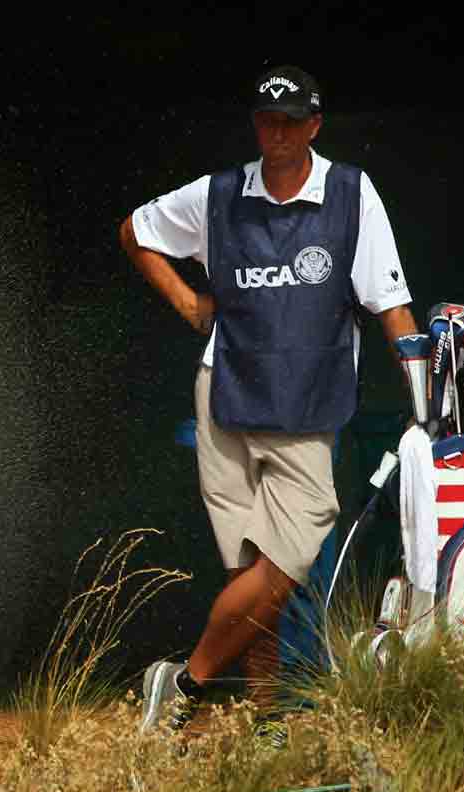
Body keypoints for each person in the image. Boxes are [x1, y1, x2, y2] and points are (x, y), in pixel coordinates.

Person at [117, 64, 419, 739]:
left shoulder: (349, 193)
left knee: (290, 556)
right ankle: (270, 712)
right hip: (225, 388)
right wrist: (191, 304)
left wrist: (423, 390)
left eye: (291, 121)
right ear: (255, 125)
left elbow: (389, 302)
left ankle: (185, 680)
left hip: (306, 402)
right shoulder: (219, 195)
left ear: (314, 124)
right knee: (253, 565)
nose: (277, 133)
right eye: (265, 120)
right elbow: (135, 232)